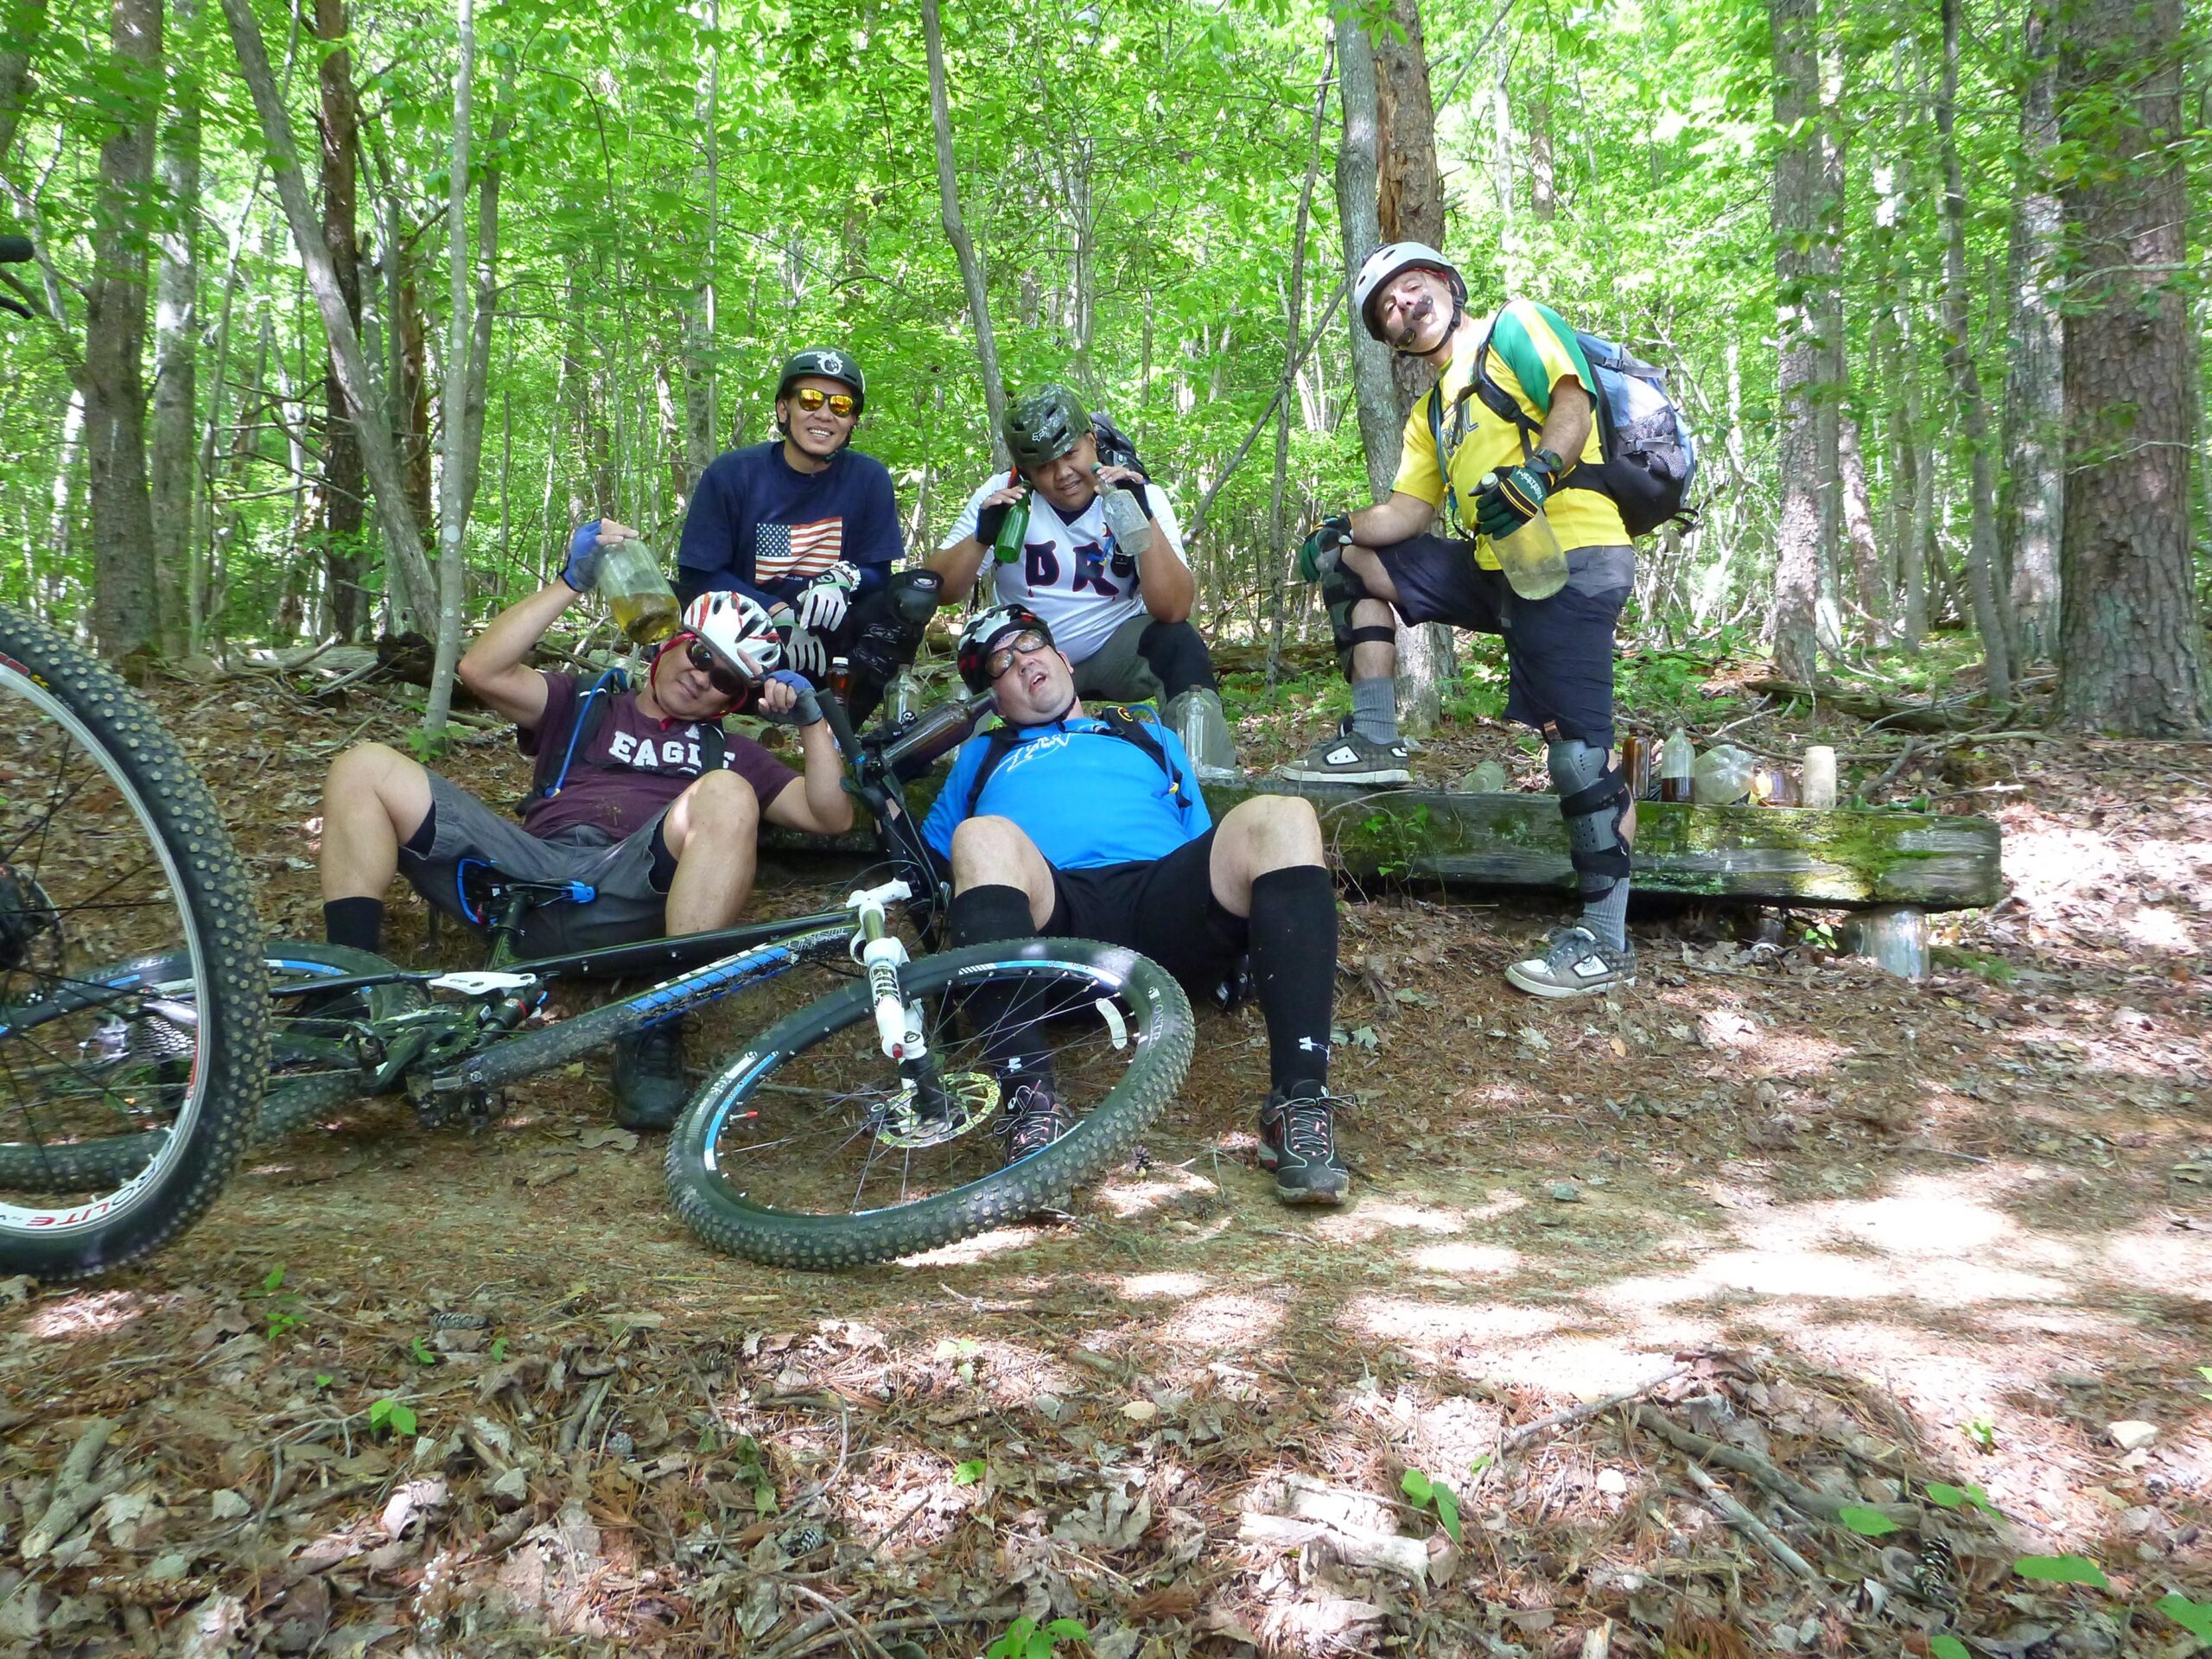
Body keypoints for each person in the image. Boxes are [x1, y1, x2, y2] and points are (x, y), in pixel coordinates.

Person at [316, 529, 854, 1129]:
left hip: (630, 898)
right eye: (700, 655)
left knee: (727, 794)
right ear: (670, 643)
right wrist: (574, 581)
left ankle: (660, 1025)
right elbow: (481, 669)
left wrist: (813, 721)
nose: (704, 678)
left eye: (727, 679)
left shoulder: (732, 755)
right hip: (525, 878)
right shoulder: (588, 701)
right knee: (364, 766)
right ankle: (350, 989)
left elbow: (829, 815)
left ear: (733, 702)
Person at [1284, 243, 1637, 998]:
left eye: (1409, 290)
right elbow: (1408, 514)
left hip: (1572, 550)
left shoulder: (1517, 325)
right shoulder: (1431, 411)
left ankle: (1607, 941)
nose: (1402, 309)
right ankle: (1376, 737)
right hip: (1492, 565)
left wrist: (1540, 473)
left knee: (1578, 753)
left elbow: (1574, 402)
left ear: (1444, 285)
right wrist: (1335, 524)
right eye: (1386, 310)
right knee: (1346, 559)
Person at [918, 603, 1350, 1205]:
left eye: (1030, 645)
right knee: (981, 836)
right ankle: (1031, 1115)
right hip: (1053, 917)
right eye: (1001, 663)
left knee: (1282, 816)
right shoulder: (981, 755)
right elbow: (931, 863)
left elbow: (1204, 837)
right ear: (993, 695)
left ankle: (1300, 1105)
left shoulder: (1147, 731)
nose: (1023, 662)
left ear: (1062, 658)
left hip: (1163, 902)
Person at [929, 383, 1238, 781]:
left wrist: (1140, 517)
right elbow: (942, 589)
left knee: (1179, 643)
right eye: (1043, 466)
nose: (1062, 474)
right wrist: (981, 537)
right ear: (1024, 470)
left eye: (1071, 454)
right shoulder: (1002, 494)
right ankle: (957, 783)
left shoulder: (1136, 494)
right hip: (1027, 656)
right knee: (978, 662)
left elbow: (1174, 607)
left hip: (1113, 649)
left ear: (1091, 441)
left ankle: (1201, 777)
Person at [673, 347, 934, 720]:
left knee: (912, 595)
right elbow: (699, 572)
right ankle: (712, 713)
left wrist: (841, 579)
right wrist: (773, 610)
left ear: (853, 421)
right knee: (666, 597)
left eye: (841, 405)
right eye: (810, 399)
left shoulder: (868, 478)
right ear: (784, 409)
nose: (824, 414)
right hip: (744, 633)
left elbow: (879, 574)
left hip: (831, 639)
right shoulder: (733, 474)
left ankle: (844, 727)